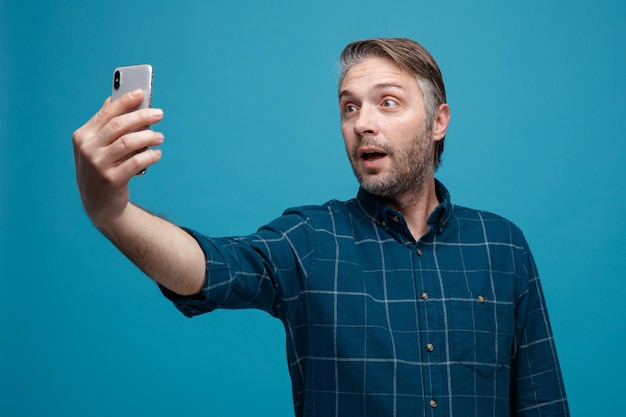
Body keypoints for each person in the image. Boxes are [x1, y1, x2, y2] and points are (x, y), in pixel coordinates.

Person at [72, 38, 569, 416]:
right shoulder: (311, 240)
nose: (362, 123)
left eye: (387, 102)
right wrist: (113, 213)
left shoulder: (503, 246)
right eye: (349, 106)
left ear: (438, 121)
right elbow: (208, 268)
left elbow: (543, 402)